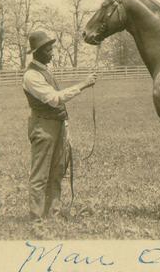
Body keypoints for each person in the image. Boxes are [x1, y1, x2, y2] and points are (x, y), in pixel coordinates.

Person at [22, 31, 96, 222]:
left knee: (57, 172)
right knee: (40, 175)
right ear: (37, 52)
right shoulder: (31, 76)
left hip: (56, 126)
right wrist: (83, 85)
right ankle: (36, 218)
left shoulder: (45, 71)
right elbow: (54, 99)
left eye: (52, 48)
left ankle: (53, 213)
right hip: (43, 128)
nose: (52, 53)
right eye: (48, 49)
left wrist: (65, 127)